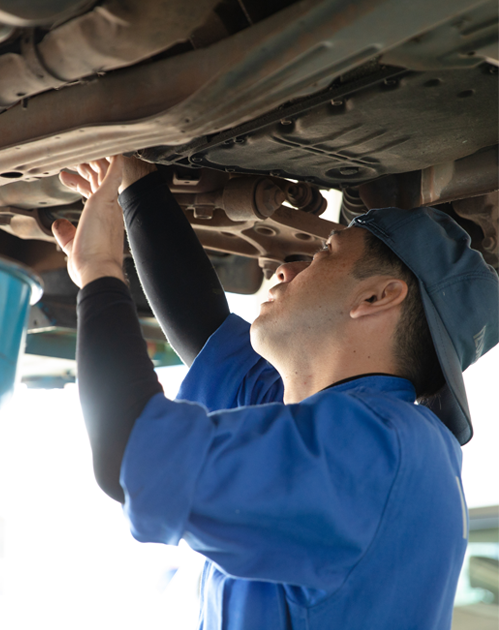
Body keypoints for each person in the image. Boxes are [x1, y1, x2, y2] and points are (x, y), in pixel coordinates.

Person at [54, 154, 499, 627]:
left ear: (376, 297)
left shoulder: (376, 448)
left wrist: (100, 271)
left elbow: (132, 453)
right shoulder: (361, 434)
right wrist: (135, 184)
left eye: (325, 252)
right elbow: (205, 337)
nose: (286, 269)